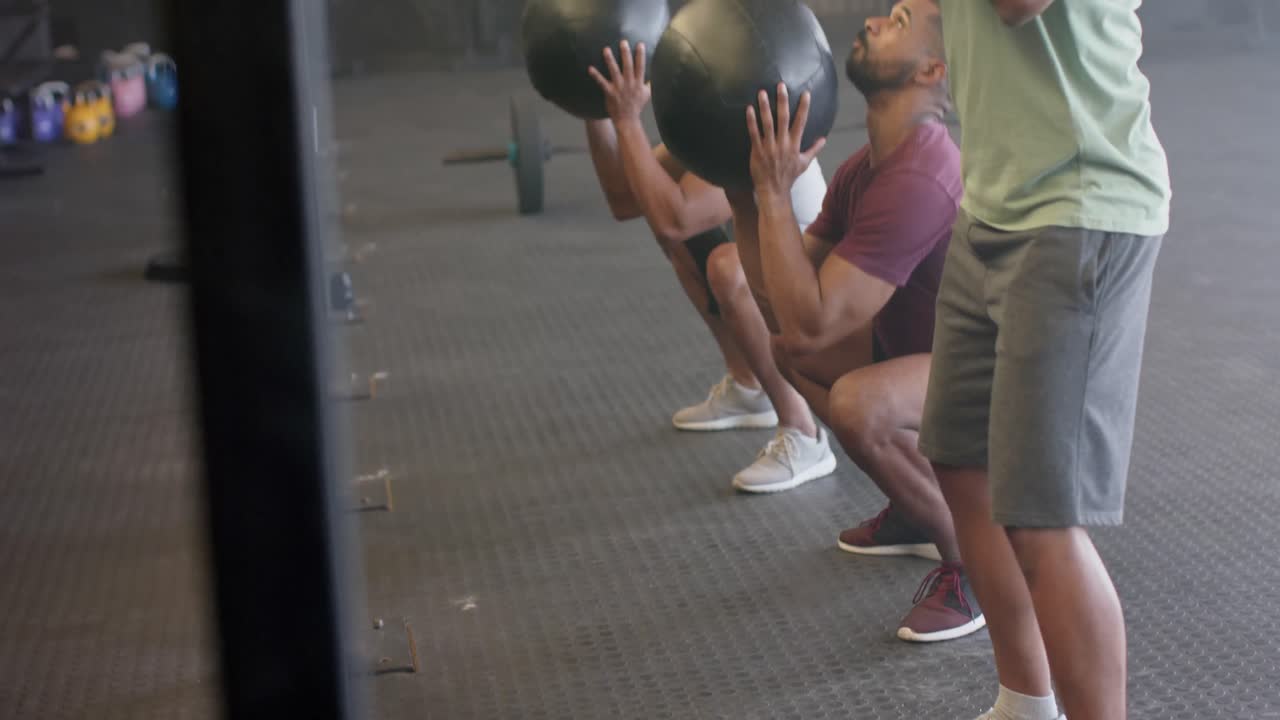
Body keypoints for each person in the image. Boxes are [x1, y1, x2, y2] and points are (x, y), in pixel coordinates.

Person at [919, 1, 1170, 718]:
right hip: (993, 201)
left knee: (1040, 515)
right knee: (963, 462)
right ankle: (1027, 703)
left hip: (1079, 204)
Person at [736, 0, 983, 642]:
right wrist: (743, 188)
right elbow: (783, 308)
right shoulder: (862, 169)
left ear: (933, 68)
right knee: (791, 352)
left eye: (898, 22)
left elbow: (816, 320)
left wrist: (771, 196)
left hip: (998, 379)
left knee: (857, 403)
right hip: (929, 363)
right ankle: (915, 509)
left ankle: (975, 562)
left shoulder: (924, 172)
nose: (872, 21)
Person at [584, 39, 838, 493]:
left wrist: (627, 118)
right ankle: (748, 387)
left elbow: (673, 218)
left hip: (819, 287)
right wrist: (596, 108)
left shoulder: (748, 123)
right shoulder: (711, 118)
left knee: (723, 264)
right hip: (774, 276)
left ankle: (806, 433)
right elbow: (627, 198)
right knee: (685, 232)